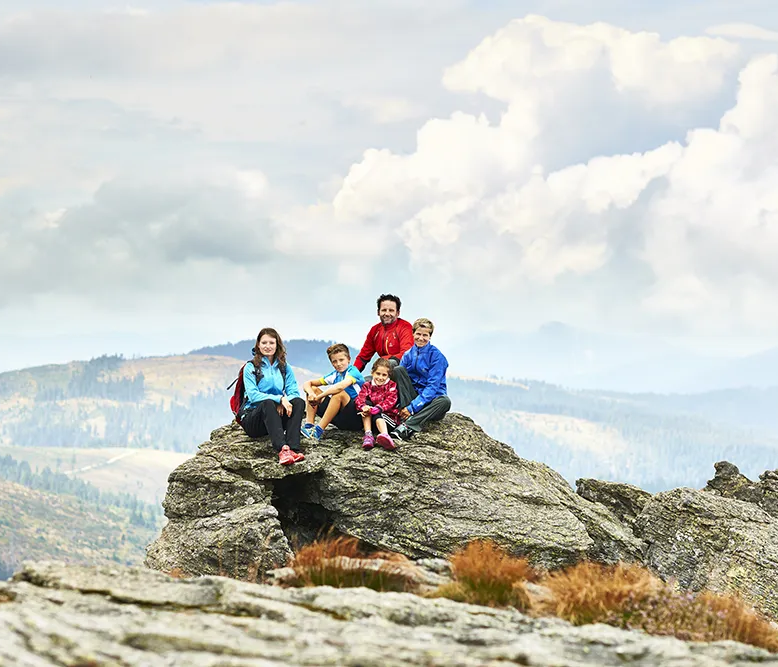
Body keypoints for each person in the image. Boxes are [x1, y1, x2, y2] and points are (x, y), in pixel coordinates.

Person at [239, 328, 306, 465]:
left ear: (277, 345)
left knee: (299, 402)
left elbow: (293, 392)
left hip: (275, 418)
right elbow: (253, 395)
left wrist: (285, 401)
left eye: (271, 343)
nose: (267, 346)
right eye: (264, 343)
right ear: (258, 345)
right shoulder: (250, 367)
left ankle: (293, 449)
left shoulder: (284, 367)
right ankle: (282, 449)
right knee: (268, 403)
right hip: (254, 419)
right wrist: (279, 399)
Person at [390, 317, 451, 441]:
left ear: (430, 337)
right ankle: (401, 413)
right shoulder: (408, 355)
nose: (421, 338)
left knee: (445, 401)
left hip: (431, 402)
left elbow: (432, 387)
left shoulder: (437, 357)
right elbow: (401, 382)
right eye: (418, 334)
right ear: (413, 334)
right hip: (412, 397)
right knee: (397, 370)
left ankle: (407, 426)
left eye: (425, 335)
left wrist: (412, 407)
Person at [301, 343, 365, 442]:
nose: (338, 364)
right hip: (339, 418)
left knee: (339, 394)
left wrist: (320, 397)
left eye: (341, 360)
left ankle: (318, 431)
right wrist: (312, 394)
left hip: (355, 418)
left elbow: (340, 387)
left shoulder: (353, 372)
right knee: (313, 389)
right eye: (334, 361)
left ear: (349, 359)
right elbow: (307, 383)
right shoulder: (335, 374)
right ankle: (309, 426)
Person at [353, 294, 413, 373]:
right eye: (384, 310)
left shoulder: (405, 327)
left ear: (398, 313)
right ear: (378, 312)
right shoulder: (375, 330)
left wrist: (383, 360)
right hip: (383, 372)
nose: (387, 314)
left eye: (391, 310)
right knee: (365, 382)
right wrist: (351, 374)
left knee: (390, 364)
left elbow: (406, 354)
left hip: (404, 372)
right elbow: (363, 357)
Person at [355, 358, 401, 451]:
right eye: (378, 373)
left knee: (375, 412)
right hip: (373, 419)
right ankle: (368, 435)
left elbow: (390, 401)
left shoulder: (391, 386)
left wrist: (377, 408)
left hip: (389, 419)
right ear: (372, 373)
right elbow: (359, 399)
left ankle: (386, 436)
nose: (380, 377)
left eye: (384, 375)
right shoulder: (367, 385)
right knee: (367, 405)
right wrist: (363, 407)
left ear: (388, 375)